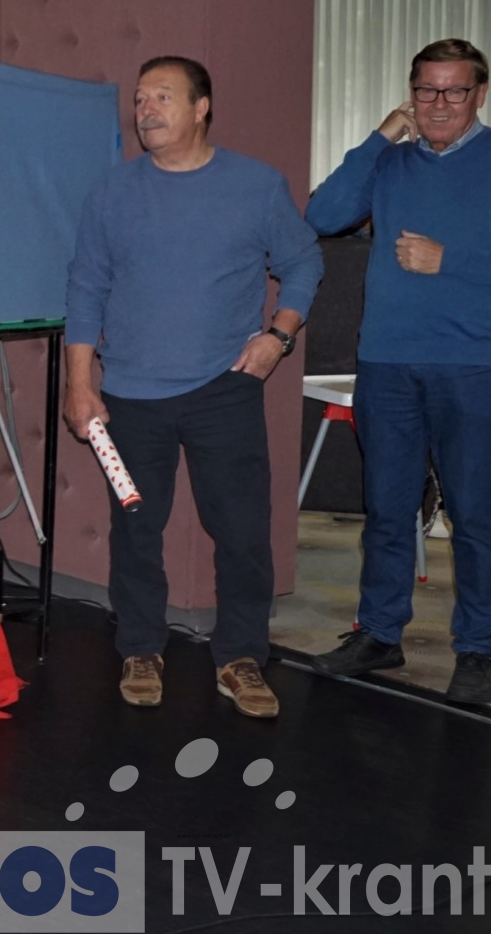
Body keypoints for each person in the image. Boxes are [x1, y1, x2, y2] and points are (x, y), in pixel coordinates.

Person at [64, 56, 323, 718]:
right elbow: (86, 288)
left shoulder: (256, 185)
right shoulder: (111, 193)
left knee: (241, 532)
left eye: (163, 97)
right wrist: (79, 385)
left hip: (223, 391)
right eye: (140, 99)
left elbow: (303, 262)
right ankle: (139, 648)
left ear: (202, 108)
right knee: (135, 529)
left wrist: (278, 337)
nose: (146, 110)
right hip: (129, 397)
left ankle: (240, 657)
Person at [305, 38, 491, 704]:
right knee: (386, 510)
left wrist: (452, 262)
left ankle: (480, 648)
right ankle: (379, 634)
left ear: (479, 95)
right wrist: (380, 136)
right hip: (385, 362)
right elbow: (323, 215)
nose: (438, 104)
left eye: (454, 91)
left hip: (472, 366)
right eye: (425, 91)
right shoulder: (389, 161)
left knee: (475, 515)